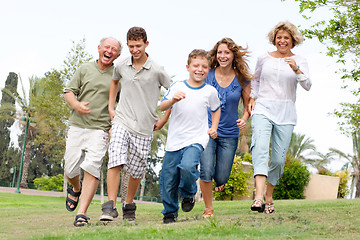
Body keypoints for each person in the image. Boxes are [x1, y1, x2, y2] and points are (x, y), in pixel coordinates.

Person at [100, 27, 171, 223]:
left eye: (138, 46)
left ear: (146, 44)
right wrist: (111, 108)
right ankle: (110, 206)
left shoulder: (157, 69)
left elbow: (172, 92)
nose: (134, 50)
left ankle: (128, 205)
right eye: (131, 46)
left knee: (137, 170)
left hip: (144, 126)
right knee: (115, 157)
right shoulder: (121, 65)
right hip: (122, 120)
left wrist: (163, 118)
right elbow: (114, 82)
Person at [249, 21, 312, 214]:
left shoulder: (300, 59)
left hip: (286, 113)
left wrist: (296, 69)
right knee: (260, 148)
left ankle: (269, 195)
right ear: (274, 39)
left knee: (277, 159)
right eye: (279, 38)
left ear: (293, 40)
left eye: (286, 38)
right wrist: (252, 97)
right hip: (263, 108)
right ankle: (259, 197)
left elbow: (307, 85)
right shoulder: (263, 58)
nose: (282, 41)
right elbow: (256, 79)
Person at [63, 37, 121, 227]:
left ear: (118, 55)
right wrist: (76, 105)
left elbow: (120, 103)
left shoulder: (118, 76)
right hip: (77, 125)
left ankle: (82, 214)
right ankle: (76, 187)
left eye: (114, 49)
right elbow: (69, 92)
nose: (109, 51)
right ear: (99, 49)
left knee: (92, 167)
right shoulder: (84, 69)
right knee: (70, 168)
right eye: (107, 47)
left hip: (100, 128)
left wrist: (115, 124)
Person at [159, 49, 221, 224]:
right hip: (174, 141)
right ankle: (170, 212)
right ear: (188, 67)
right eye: (196, 65)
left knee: (187, 167)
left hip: (197, 139)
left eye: (204, 66)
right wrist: (172, 100)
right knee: (169, 179)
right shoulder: (177, 86)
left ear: (208, 69)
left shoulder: (210, 91)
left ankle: (188, 193)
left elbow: (216, 109)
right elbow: (162, 106)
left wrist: (213, 127)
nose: (199, 69)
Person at [199, 38, 253, 218]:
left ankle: (218, 181)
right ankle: (208, 208)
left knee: (221, 177)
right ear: (215, 55)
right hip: (207, 130)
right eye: (219, 53)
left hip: (230, 133)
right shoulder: (207, 75)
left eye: (226, 53)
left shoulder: (242, 79)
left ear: (233, 55)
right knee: (206, 169)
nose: (222, 56)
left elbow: (247, 106)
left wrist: (244, 119)